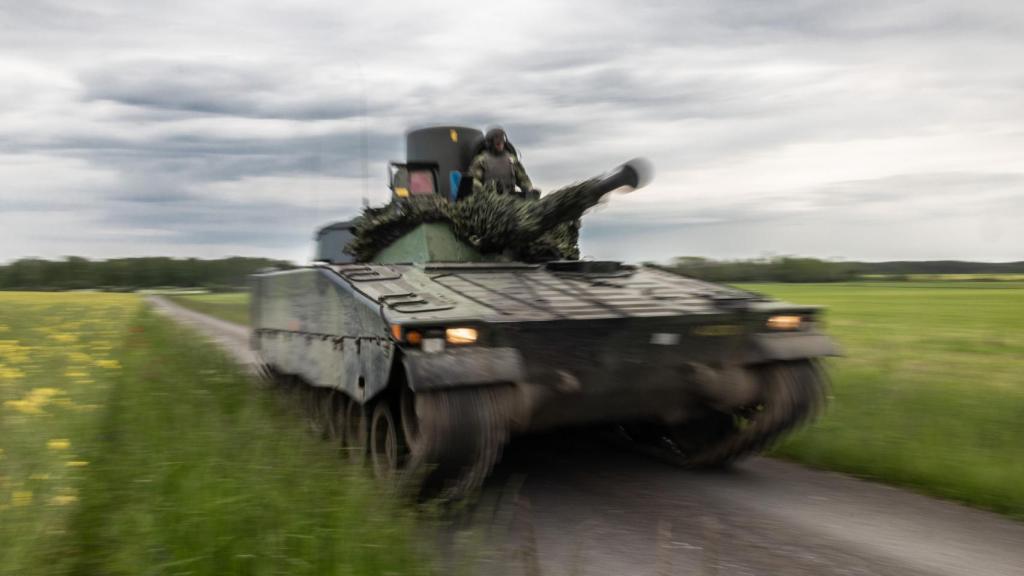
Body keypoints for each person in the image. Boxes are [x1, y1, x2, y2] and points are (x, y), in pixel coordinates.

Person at [469, 127, 540, 199]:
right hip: (489, 198)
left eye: (502, 142)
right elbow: (474, 180)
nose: (500, 145)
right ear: (490, 143)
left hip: (510, 197)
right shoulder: (481, 160)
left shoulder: (511, 160)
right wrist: (484, 193)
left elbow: (522, 178)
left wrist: (529, 189)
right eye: (497, 143)